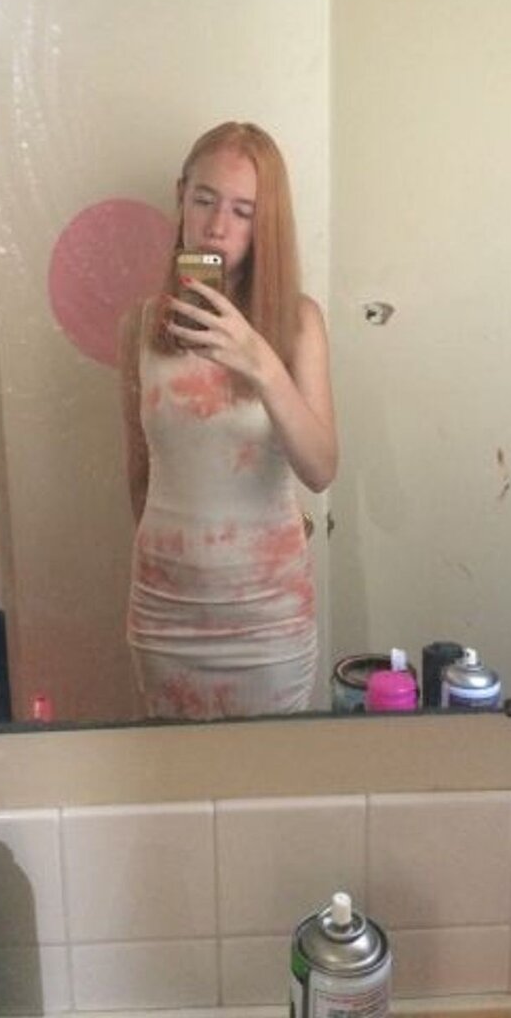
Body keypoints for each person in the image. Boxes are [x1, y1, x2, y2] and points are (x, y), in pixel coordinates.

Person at [120, 121, 337, 720]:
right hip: (164, 612)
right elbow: (138, 470)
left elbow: (321, 469)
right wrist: (175, 574)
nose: (218, 226)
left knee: (270, 774)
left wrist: (260, 363)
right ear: (181, 197)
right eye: (205, 200)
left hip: (268, 617)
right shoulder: (141, 326)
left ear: (266, 225)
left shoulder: (297, 323)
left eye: (243, 212)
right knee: (174, 772)